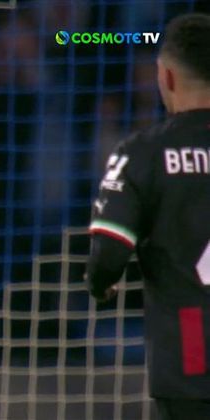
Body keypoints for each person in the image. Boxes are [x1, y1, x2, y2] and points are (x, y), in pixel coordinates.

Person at [85, 13, 210, 420]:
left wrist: (100, 283)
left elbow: (108, 254)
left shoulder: (144, 153)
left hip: (192, 356)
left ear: (167, 77)